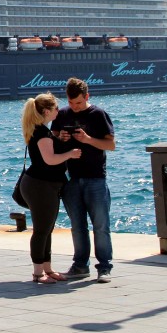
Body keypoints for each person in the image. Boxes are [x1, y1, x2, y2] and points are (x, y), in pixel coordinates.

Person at [52, 77, 117, 283]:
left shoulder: (98, 114)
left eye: (79, 103)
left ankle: (104, 267)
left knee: (100, 225)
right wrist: (61, 138)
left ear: (87, 96)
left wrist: (88, 139)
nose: (75, 107)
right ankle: (80, 265)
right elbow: (52, 139)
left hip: (96, 177)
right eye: (71, 103)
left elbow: (111, 145)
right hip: (72, 178)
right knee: (77, 226)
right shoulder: (63, 114)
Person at [19, 92, 82, 284]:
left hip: (45, 185)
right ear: (46, 111)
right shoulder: (41, 133)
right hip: (40, 186)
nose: (58, 111)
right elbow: (50, 159)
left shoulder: (42, 131)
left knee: (47, 228)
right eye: (55, 108)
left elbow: (49, 153)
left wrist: (60, 140)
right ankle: (38, 273)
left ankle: (47, 268)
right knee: (41, 230)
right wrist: (70, 154)